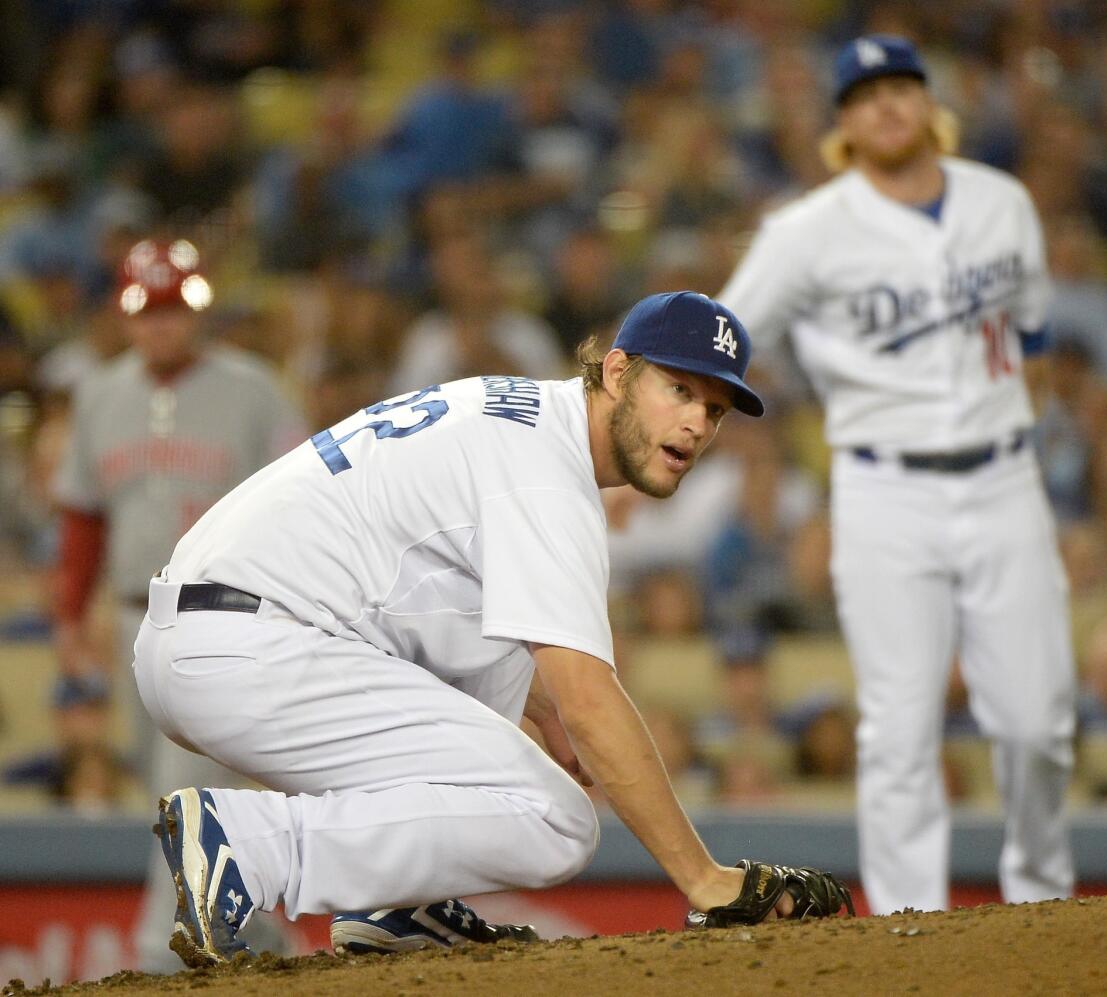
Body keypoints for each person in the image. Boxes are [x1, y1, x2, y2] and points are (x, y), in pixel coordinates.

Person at [132, 291, 852, 966]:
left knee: (505, 687)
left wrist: (544, 713)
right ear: (618, 370)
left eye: (717, 408)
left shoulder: (522, 415)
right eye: (682, 390)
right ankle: (247, 847)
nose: (697, 421)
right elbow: (591, 698)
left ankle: (400, 905)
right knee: (556, 818)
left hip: (223, 629)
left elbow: (463, 619)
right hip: (253, 643)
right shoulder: (547, 472)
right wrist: (704, 877)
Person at [719, 35, 1077, 914]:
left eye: (901, 87)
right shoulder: (806, 231)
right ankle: (909, 922)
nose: (885, 104)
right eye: (866, 93)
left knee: (1037, 723)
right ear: (842, 122)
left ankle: (1042, 896)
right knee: (900, 727)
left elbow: (1031, 336)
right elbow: (723, 334)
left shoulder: (1003, 204)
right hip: (885, 489)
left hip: (1002, 479)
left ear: (928, 104)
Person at [53, 238, 307, 969]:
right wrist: (72, 618)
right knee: (160, 780)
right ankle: (257, 933)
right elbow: (82, 519)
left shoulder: (255, 389)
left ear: (198, 310)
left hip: (223, 616)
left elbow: (301, 504)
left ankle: (154, 944)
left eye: (174, 310)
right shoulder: (101, 392)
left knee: (178, 787)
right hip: (134, 613)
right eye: (147, 312)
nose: (161, 327)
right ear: (125, 316)